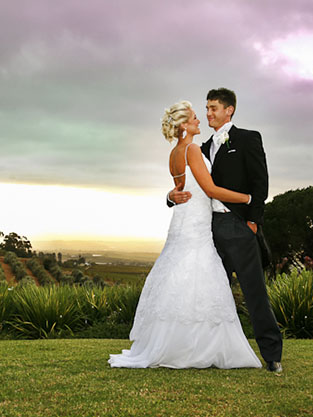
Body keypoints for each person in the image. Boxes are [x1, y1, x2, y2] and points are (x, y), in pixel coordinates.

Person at [108, 100, 262, 369]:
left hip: (183, 220)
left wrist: (171, 196)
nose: (199, 120)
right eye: (193, 118)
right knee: (197, 274)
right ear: (183, 126)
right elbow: (210, 190)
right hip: (195, 222)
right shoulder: (191, 149)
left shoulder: (174, 153)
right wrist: (248, 198)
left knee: (180, 274)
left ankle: (178, 343)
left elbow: (179, 189)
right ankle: (195, 347)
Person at [168, 88, 283, 373]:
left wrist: (252, 221)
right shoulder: (201, 147)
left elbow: (260, 183)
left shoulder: (248, 138)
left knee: (254, 292)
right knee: (210, 293)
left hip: (238, 225)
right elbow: (189, 185)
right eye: (206, 108)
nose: (208, 113)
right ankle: (207, 351)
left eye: (213, 108)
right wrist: (170, 197)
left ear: (229, 110)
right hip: (207, 230)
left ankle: (272, 355)